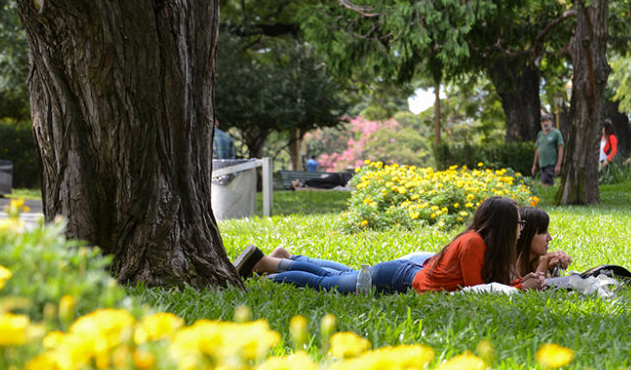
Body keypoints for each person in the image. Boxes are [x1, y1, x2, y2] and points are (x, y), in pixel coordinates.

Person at [232, 196, 546, 293]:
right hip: (399, 278)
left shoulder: (479, 242)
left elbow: (488, 285)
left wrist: (521, 281)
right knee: (329, 284)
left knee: (341, 277)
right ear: (503, 225)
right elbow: (476, 291)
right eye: (518, 223)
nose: (520, 229)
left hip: (406, 273)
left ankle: (279, 261)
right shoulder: (474, 243)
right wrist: (520, 287)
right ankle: (268, 267)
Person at [515, 207, 572, 277]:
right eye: (543, 232)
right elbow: (533, 286)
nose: (550, 238)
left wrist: (550, 269)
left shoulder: (534, 262)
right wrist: (545, 259)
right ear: (527, 235)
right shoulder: (509, 266)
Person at [532, 113, 564, 187]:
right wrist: (534, 165)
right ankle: (550, 196)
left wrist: (558, 165)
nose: (545, 123)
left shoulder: (556, 133)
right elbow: (537, 150)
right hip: (542, 164)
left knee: (545, 183)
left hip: (551, 163)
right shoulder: (540, 134)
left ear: (551, 122)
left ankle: (544, 197)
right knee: (548, 184)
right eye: (543, 121)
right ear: (541, 123)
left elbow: (560, 149)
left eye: (547, 121)